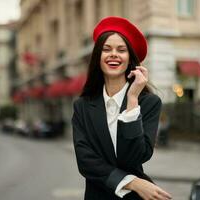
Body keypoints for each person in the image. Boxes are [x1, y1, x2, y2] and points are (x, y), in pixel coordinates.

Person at [72, 16, 172, 200]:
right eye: (106, 49)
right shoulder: (82, 107)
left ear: (130, 59)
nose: (113, 54)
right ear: (98, 58)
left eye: (121, 50)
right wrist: (132, 182)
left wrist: (132, 99)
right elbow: (85, 161)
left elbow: (135, 157)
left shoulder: (149, 103)